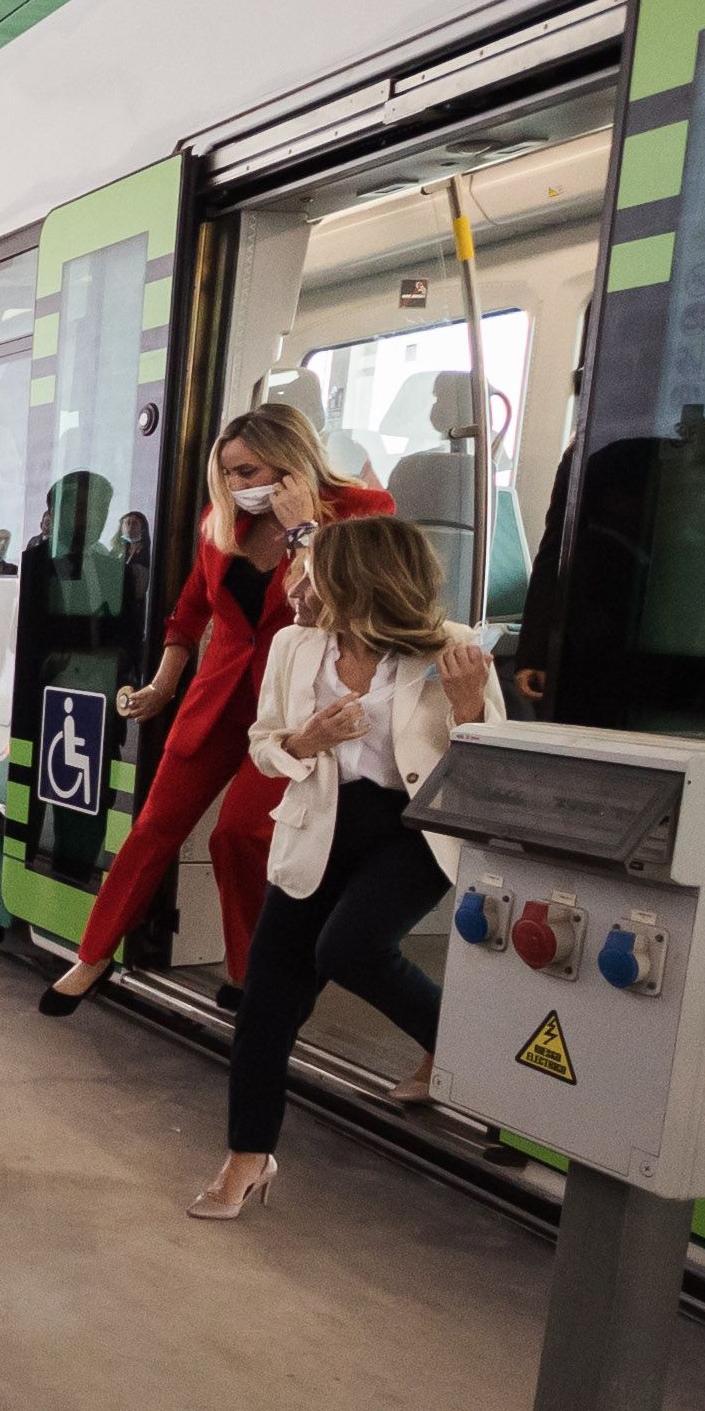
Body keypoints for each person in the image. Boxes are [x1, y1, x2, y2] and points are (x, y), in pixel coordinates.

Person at [190, 515, 498, 1218]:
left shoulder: (453, 650)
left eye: (310, 574)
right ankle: (247, 1157)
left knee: (352, 946)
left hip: (415, 832)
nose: (293, 586)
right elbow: (265, 743)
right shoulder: (295, 647)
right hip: (319, 824)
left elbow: (488, 773)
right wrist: (306, 737)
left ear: (361, 585)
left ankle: (458, 1050)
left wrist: (468, 707)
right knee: (269, 994)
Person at [43, 405, 393, 1014]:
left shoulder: (363, 513)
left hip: (294, 710)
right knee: (153, 827)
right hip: (217, 698)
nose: (236, 486)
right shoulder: (221, 519)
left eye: (248, 470)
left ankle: (250, 973)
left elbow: (348, 603)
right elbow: (190, 611)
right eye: (227, 474)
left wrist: (304, 529)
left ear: (290, 460)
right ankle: (93, 953)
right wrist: (161, 685)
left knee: (239, 836)